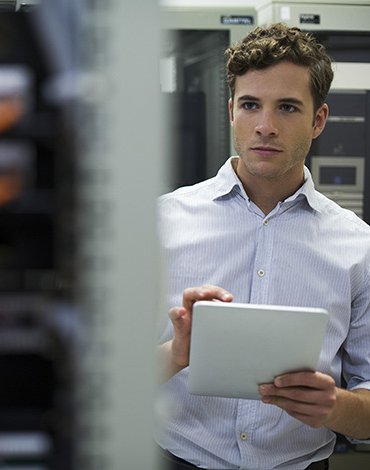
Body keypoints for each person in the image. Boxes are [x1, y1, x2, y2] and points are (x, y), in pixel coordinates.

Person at [156, 23, 370, 470]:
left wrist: (335, 408)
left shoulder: (358, 246)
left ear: (318, 121)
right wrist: (175, 355)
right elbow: (105, 384)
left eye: (288, 107)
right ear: (231, 110)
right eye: (251, 105)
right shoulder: (162, 223)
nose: (266, 126)